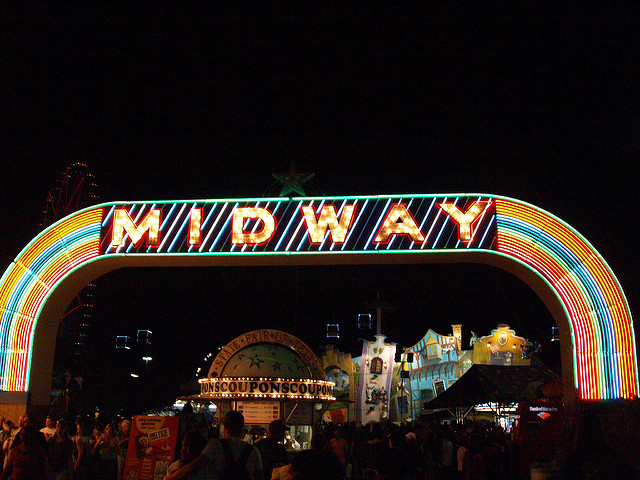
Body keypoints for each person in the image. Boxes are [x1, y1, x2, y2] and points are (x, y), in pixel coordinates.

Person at [165, 410, 263, 480]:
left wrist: (171, 478)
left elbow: (194, 466)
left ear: (225, 427)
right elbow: (259, 476)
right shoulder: (253, 451)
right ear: (242, 428)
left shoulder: (216, 446)